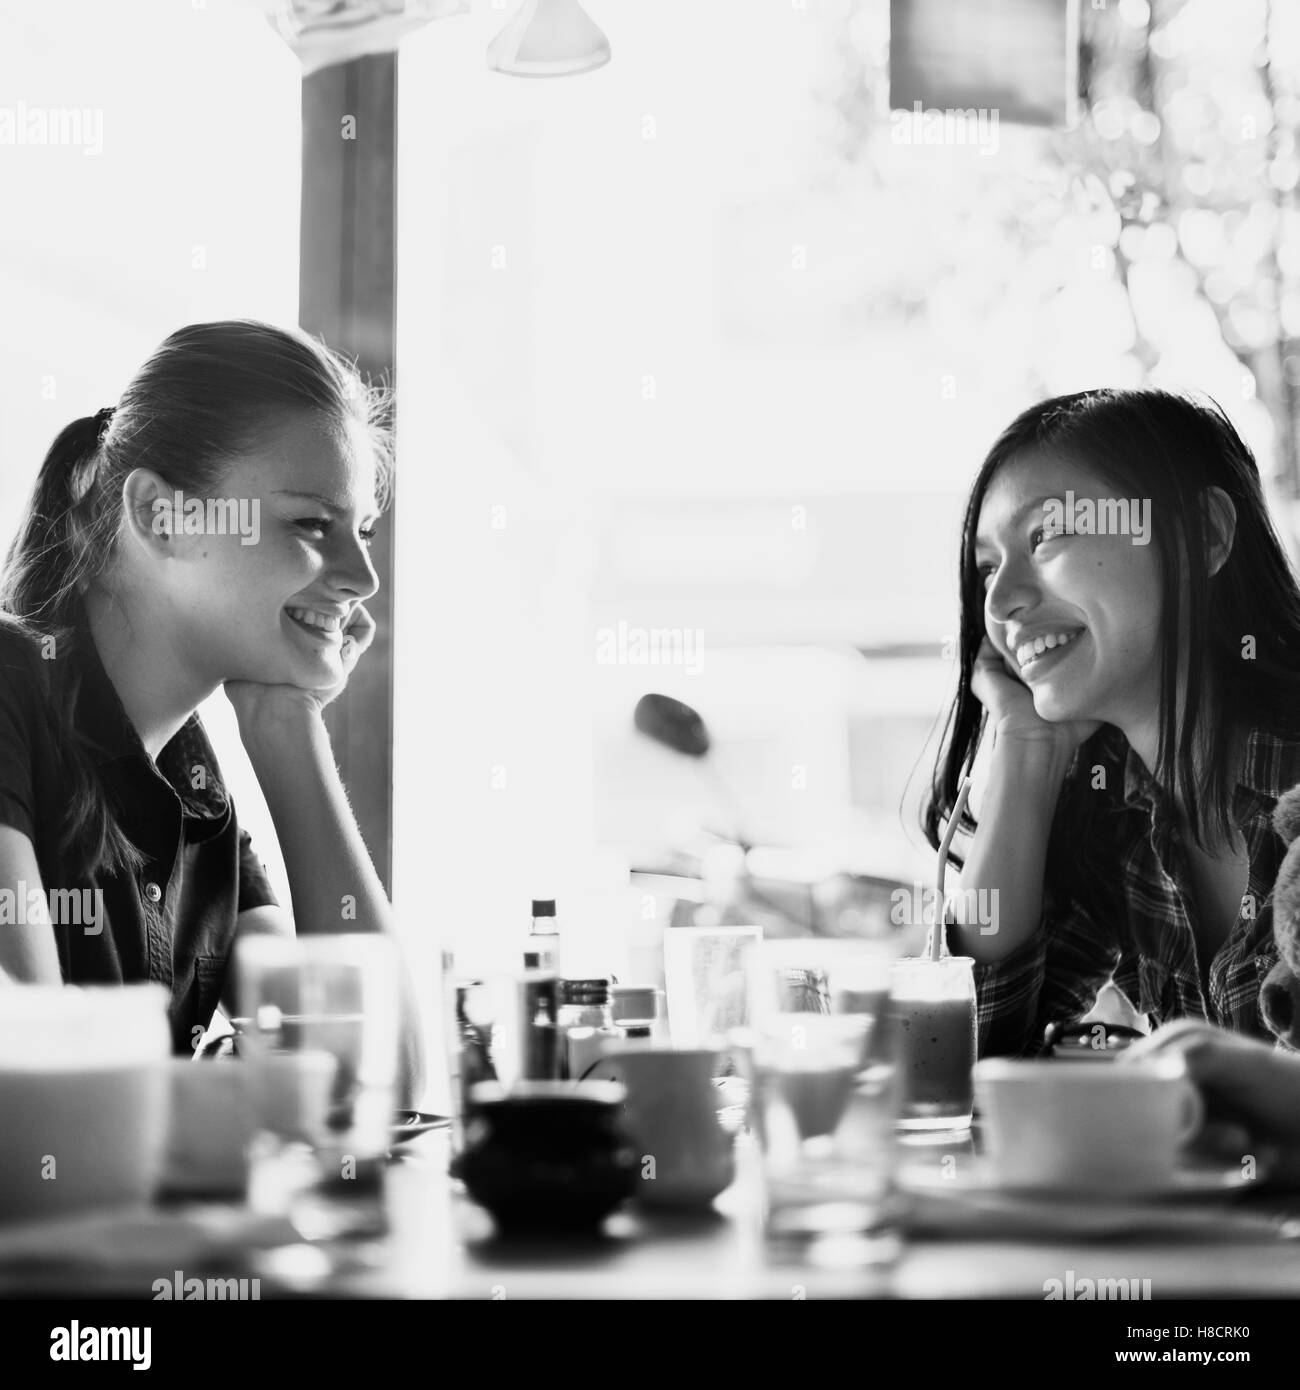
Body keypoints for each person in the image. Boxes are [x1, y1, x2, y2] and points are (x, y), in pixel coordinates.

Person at [0, 319, 424, 1103]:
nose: (363, 576)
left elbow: (378, 1084)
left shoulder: (195, 788)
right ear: (163, 516)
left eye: (362, 531)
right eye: (310, 524)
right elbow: (40, 1107)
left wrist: (286, 727)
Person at [924, 387, 1300, 1057]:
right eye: (986, 569)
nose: (1003, 601)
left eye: (1048, 535)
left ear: (1203, 535)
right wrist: (1023, 749)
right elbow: (959, 1053)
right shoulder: (1114, 821)